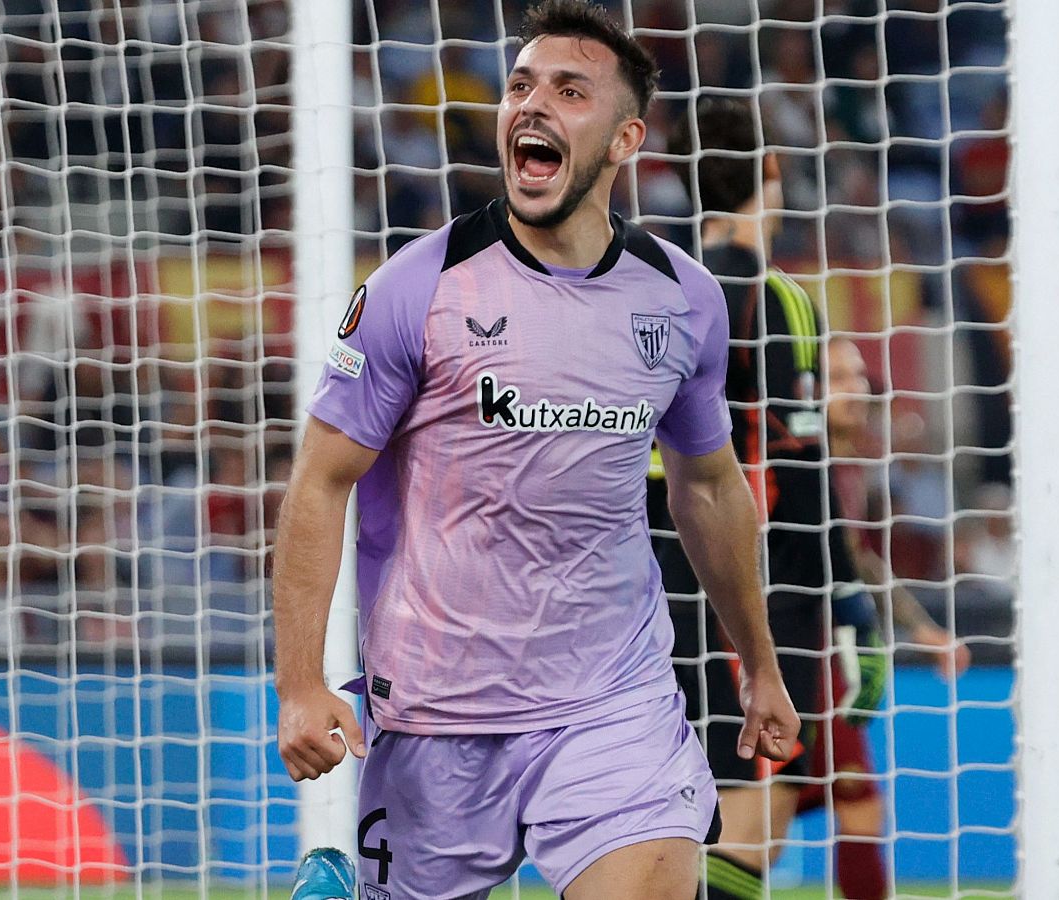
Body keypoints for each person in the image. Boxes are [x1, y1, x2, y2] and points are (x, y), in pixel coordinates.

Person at [272, 5, 799, 899]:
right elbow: (322, 483)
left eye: (568, 89)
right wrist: (298, 683)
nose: (531, 104)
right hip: (438, 716)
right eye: (521, 84)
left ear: (627, 137)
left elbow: (710, 486)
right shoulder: (417, 286)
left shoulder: (684, 300)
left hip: (614, 705)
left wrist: (761, 664)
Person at [646, 95, 875, 900]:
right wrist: (850, 600)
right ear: (772, 171)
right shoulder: (777, 299)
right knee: (755, 821)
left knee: (688, 823)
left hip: (649, 591)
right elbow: (801, 470)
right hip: (752, 592)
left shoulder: (653, 287)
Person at [794, 336, 973, 900]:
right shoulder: (795, 459)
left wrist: (922, 629)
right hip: (783, 655)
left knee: (793, 815)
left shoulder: (852, 467)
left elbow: (859, 558)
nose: (858, 389)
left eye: (860, 376)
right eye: (840, 378)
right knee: (839, 809)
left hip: (822, 657)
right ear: (809, 391)